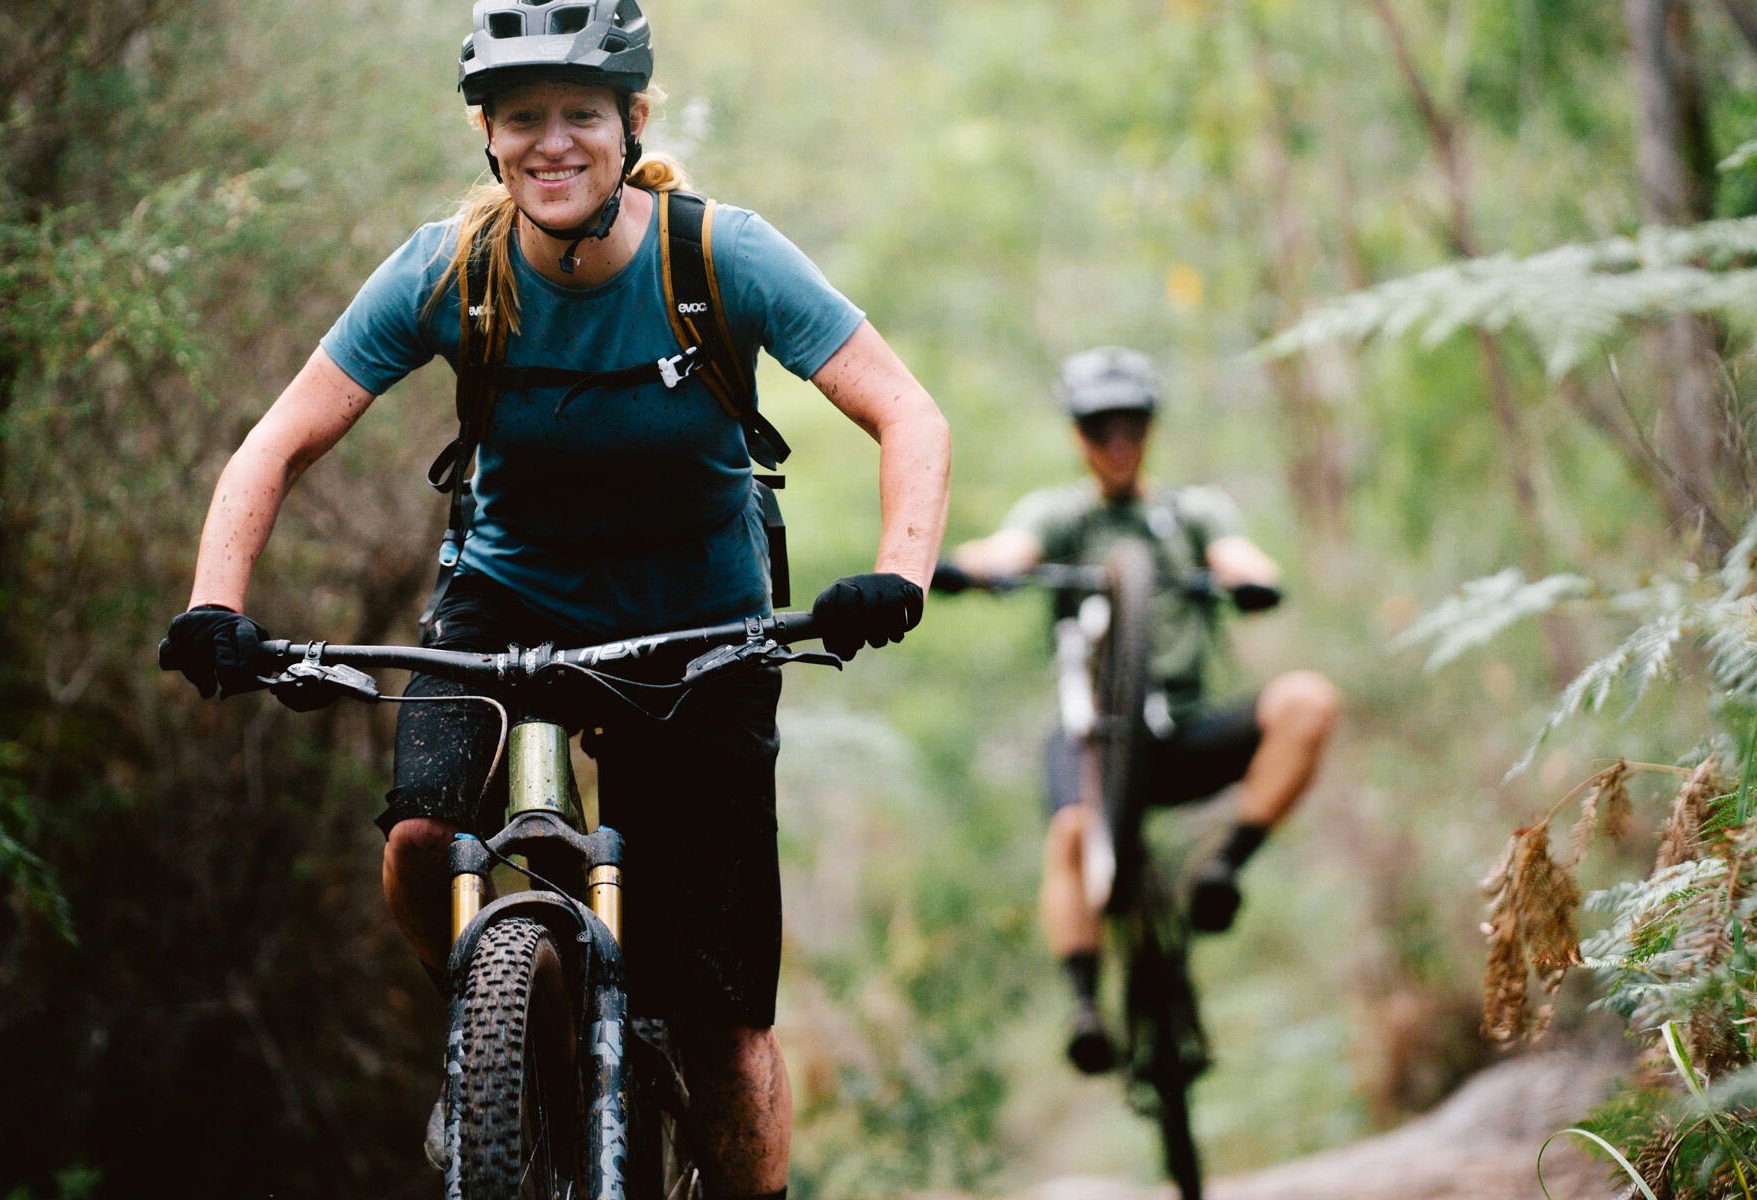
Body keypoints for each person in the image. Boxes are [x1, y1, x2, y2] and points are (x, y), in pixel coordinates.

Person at [155, 2, 950, 1194]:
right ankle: (507, 1033)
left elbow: (907, 411)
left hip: (699, 627)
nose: (553, 142)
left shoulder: (717, 257)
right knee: (424, 842)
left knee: (723, 1025)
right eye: (522, 117)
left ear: (633, 123)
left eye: (582, 113)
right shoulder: (452, 269)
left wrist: (898, 571)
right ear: (488, 134)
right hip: (505, 603)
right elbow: (275, 443)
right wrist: (218, 604)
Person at [943, 346, 1336, 1075]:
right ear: (1077, 436)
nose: (1117, 441)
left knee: (1308, 700)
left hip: (1182, 733)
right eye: (1100, 427)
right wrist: (963, 568)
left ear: (1151, 427)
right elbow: (1009, 548)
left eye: (1132, 424)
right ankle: (1086, 1004)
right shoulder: (1061, 515)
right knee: (1070, 834)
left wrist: (1252, 579)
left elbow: (1238, 555)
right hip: (1091, 739)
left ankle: (1223, 869)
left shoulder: (1190, 511)